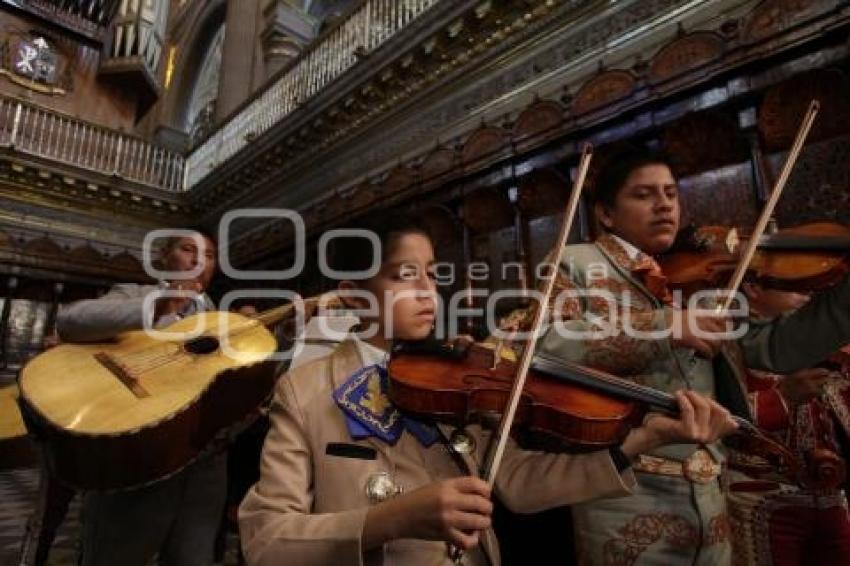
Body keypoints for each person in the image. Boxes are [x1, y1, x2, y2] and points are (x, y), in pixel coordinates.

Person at [237, 215, 738, 565]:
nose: (427, 293)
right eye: (403, 277)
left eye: (431, 276)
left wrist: (642, 441)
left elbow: (520, 482)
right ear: (352, 293)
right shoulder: (305, 390)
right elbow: (266, 540)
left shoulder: (460, 377)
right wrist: (387, 520)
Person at [533, 148, 850, 564]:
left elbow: (775, 348)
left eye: (670, 193)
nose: (664, 204)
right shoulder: (576, 261)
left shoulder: (709, 276)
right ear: (606, 214)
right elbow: (543, 345)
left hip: (712, 490)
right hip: (624, 488)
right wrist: (667, 326)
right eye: (644, 195)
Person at [56, 229, 227, 566]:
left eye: (208, 256)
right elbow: (70, 320)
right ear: (165, 258)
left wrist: (282, 336)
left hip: (203, 466)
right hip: (138, 458)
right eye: (188, 250)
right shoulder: (135, 294)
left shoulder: (222, 321)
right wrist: (158, 305)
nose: (198, 262)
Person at [726, 282, 850, 566]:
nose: (809, 296)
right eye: (796, 288)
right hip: (758, 496)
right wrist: (781, 397)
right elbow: (716, 414)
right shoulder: (726, 341)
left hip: (829, 496)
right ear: (753, 289)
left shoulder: (822, 343)